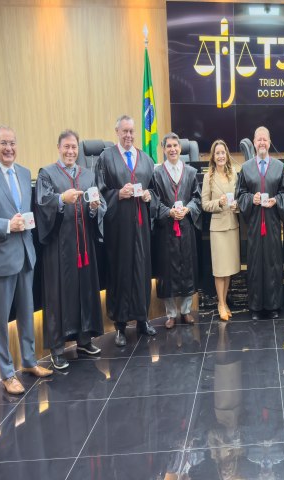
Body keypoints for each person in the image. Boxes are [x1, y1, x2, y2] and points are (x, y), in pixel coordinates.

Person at [0, 126, 52, 394]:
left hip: (26, 255)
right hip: (1, 258)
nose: (9, 148)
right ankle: (7, 373)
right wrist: (7, 225)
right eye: (3, 143)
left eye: (12, 143)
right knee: (1, 321)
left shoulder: (25, 173)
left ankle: (29, 361)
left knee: (27, 313)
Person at [36, 130, 106, 369]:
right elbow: (42, 203)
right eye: (66, 147)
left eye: (74, 147)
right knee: (58, 296)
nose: (70, 151)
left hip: (84, 246)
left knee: (85, 290)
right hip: (59, 248)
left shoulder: (88, 175)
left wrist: (95, 208)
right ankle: (57, 349)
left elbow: (99, 205)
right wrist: (60, 200)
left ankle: (84, 340)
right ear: (58, 147)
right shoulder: (47, 174)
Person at [96, 115, 156, 347]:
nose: (129, 135)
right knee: (120, 272)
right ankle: (120, 325)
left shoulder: (146, 159)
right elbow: (99, 192)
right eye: (125, 131)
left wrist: (150, 196)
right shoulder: (105, 158)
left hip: (141, 228)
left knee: (142, 270)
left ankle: (142, 319)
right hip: (118, 228)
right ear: (117, 132)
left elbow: (154, 190)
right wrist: (117, 194)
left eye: (131, 131)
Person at [236, 126, 284, 320]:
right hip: (254, 225)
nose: (261, 143)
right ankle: (256, 307)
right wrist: (252, 198)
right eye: (258, 139)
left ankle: (273, 306)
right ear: (254, 142)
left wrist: (276, 200)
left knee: (273, 263)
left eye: (264, 140)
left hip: (273, 224)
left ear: (269, 142)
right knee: (255, 264)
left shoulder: (278, 167)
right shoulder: (246, 168)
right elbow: (240, 194)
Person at [152, 133, 202, 327]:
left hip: (186, 226)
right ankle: (171, 313)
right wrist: (169, 212)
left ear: (180, 148)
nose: (173, 149)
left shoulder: (190, 172)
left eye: (175, 146)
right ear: (164, 149)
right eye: (169, 146)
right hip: (166, 229)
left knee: (187, 268)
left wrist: (187, 209)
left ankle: (186, 311)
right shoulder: (157, 173)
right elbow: (154, 201)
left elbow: (197, 198)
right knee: (168, 270)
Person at [201, 139, 240, 322]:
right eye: (217, 153)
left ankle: (224, 301)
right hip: (217, 228)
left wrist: (236, 206)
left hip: (232, 225)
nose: (221, 156)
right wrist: (219, 203)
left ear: (227, 155)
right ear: (213, 156)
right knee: (219, 269)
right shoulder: (208, 177)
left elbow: (239, 199)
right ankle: (221, 303)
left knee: (229, 268)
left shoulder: (234, 175)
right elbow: (204, 204)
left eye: (223, 152)